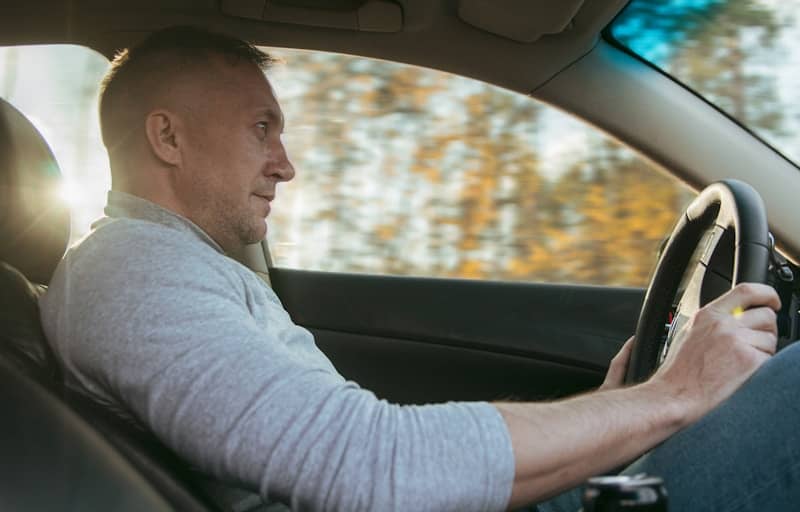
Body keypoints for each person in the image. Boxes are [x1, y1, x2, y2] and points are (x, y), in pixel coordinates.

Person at [39, 26, 797, 511]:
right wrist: (672, 398)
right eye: (261, 129)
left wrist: (611, 413)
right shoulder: (130, 273)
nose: (286, 165)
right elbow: (368, 466)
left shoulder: (173, 266)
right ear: (167, 138)